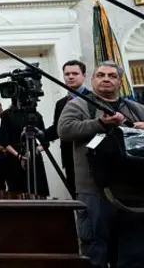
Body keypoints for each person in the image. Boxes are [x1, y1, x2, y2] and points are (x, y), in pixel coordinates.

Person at [58, 61, 144, 268]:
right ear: (93, 79)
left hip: (132, 192)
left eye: (112, 76)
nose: (106, 79)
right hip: (93, 190)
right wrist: (101, 124)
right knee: (94, 250)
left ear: (120, 81)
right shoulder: (77, 105)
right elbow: (65, 130)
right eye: (101, 75)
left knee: (133, 251)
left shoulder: (136, 108)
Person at [45, 59, 89, 197]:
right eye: (67, 74)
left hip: (89, 158)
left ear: (84, 76)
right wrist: (40, 134)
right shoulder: (61, 103)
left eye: (75, 73)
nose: (70, 77)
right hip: (69, 159)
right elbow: (58, 129)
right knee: (77, 199)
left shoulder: (93, 99)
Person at [0, 99, 50, 197]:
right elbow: (3, 140)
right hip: (14, 159)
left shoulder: (36, 115)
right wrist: (19, 156)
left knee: (38, 190)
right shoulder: (7, 114)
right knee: (16, 192)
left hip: (34, 158)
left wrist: (34, 151)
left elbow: (45, 142)